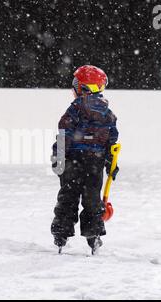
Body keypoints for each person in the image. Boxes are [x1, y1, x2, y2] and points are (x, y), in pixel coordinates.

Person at [51, 65, 119, 254]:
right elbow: (112, 142)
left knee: (68, 197)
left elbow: (64, 133)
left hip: (73, 160)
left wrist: (59, 156)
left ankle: (61, 234)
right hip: (94, 163)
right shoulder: (108, 113)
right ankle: (93, 235)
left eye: (76, 84)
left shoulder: (75, 109)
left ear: (85, 88)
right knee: (92, 200)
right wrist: (110, 162)